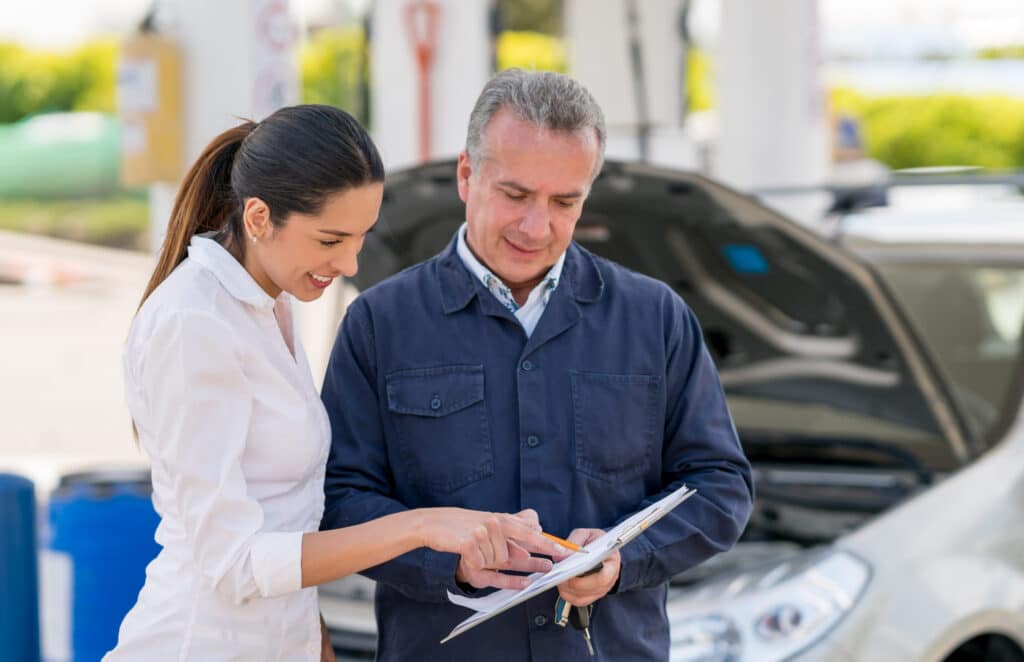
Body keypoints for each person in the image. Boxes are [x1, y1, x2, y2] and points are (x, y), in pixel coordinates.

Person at [320, 70, 754, 660]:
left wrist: (623, 560)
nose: (536, 226)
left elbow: (720, 487)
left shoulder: (655, 319)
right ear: (467, 177)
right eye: (516, 195)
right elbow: (341, 498)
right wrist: (453, 560)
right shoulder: (380, 323)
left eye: (564, 202)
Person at [105, 104, 563, 661]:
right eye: (329, 240)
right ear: (257, 218)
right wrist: (420, 527)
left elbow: (287, 517)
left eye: (361, 237)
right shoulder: (192, 322)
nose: (349, 264)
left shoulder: (270, 301)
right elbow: (233, 563)